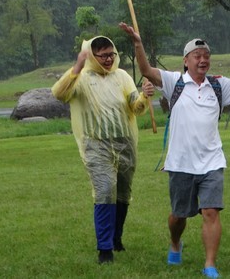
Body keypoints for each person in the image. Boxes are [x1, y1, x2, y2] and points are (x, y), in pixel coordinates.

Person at [119, 22, 230, 279]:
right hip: (181, 163)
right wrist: (138, 44)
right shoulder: (175, 82)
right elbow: (146, 71)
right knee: (178, 216)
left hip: (212, 161)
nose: (203, 60)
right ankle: (175, 243)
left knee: (210, 211)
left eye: (206, 56)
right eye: (197, 56)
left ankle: (209, 264)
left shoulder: (218, 85)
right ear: (186, 61)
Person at [51, 36, 154, 264]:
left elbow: (135, 107)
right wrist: (77, 67)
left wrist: (145, 95)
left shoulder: (123, 77)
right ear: (91, 56)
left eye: (111, 54)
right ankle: (104, 249)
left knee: (123, 194)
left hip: (125, 143)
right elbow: (59, 93)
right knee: (105, 190)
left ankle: (116, 239)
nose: (108, 59)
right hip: (96, 145)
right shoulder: (81, 79)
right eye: (103, 55)